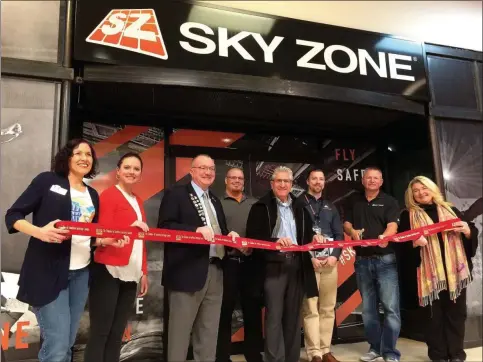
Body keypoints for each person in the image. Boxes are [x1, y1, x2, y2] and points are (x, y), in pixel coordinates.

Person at [5, 139, 100, 362]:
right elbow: (13, 215)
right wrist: (40, 232)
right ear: (67, 157)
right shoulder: (47, 181)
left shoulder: (93, 195)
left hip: (81, 274)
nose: (84, 158)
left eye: (88, 154)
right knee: (57, 345)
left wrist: (105, 242)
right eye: (78, 153)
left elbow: (90, 236)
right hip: (46, 272)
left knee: (66, 343)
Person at [158, 154, 239, 362]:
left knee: (209, 331)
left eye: (211, 168)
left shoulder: (214, 200)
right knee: (180, 333)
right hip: (186, 273)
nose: (208, 172)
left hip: (216, 271)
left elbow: (219, 231)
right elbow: (165, 228)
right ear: (192, 171)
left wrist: (230, 237)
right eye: (202, 168)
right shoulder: (176, 195)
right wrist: (194, 230)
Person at [246, 166, 323, 362]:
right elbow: (253, 238)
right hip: (273, 265)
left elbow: (305, 237)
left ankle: (291, 358)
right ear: (272, 184)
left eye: (286, 181)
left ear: (291, 185)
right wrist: (275, 242)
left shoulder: (301, 207)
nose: (282, 185)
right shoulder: (260, 207)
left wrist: (314, 239)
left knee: (293, 318)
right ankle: (274, 359)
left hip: (297, 265)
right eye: (278, 181)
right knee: (274, 317)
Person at [399, 176, 478, 362]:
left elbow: (470, 231)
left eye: (424, 188)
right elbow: (401, 247)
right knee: (433, 319)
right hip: (428, 277)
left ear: (432, 189)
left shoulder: (450, 209)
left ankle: (457, 354)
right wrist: (414, 243)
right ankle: (439, 355)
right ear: (411, 195)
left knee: (456, 316)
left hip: (455, 276)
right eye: (416, 191)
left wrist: (467, 231)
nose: (420, 193)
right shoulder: (407, 216)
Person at [84, 152, 150, 362]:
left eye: (136, 169)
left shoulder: (138, 200)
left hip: (131, 272)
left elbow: (140, 240)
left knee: (116, 333)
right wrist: (127, 228)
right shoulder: (109, 195)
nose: (132, 172)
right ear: (118, 172)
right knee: (100, 332)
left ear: (140, 175)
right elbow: (102, 232)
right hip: (108, 269)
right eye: (127, 167)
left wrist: (144, 272)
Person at [342, 167, 401, 362]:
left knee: (391, 307)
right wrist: (352, 231)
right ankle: (375, 348)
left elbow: (393, 224)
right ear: (363, 180)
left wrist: (387, 235)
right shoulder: (354, 200)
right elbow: (346, 223)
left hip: (385, 260)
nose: (372, 181)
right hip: (362, 261)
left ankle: (390, 352)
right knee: (368, 309)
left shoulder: (390, 201)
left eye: (376, 178)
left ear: (381, 181)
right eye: (369, 178)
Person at [295, 168, 344, 362]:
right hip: (309, 262)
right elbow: (296, 235)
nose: (318, 182)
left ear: (324, 182)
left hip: (330, 263)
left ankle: (325, 350)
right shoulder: (298, 204)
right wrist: (309, 257)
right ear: (307, 181)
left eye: (321, 179)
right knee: (310, 308)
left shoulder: (330, 206)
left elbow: (339, 235)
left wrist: (335, 256)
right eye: (314, 178)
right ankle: (314, 352)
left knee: (328, 308)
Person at [216, 167, 263, 362]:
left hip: (250, 264)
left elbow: (261, 231)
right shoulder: (217, 203)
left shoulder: (254, 203)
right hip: (227, 264)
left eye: (240, 178)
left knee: (252, 311)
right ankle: (222, 356)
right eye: (233, 178)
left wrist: (254, 246)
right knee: (224, 311)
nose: (237, 181)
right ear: (226, 180)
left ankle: (253, 354)